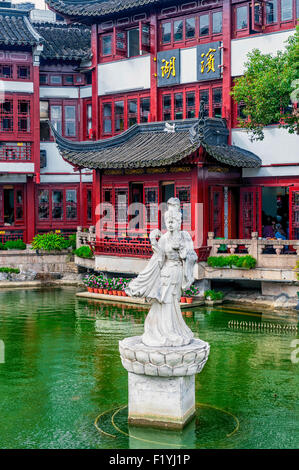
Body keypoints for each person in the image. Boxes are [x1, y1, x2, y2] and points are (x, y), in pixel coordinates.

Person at [125, 197, 197, 347]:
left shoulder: (185, 237)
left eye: (173, 221)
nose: (170, 224)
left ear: (179, 221)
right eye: (168, 221)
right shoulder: (164, 238)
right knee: (163, 301)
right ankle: (161, 331)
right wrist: (153, 242)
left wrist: (184, 253)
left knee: (173, 302)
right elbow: (159, 258)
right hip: (166, 273)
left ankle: (174, 330)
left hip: (177, 272)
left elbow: (192, 256)